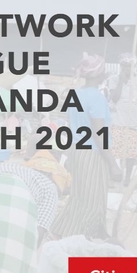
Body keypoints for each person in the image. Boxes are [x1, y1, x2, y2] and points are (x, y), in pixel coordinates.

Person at [50, 55, 116, 239]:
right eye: (103, 71)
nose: (105, 75)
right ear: (97, 75)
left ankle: (66, 229)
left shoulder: (76, 94)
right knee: (94, 199)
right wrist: (112, 163)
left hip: (77, 151)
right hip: (94, 154)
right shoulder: (96, 98)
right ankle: (87, 235)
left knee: (80, 196)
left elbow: (72, 126)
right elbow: (98, 133)